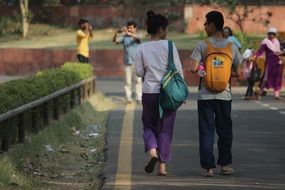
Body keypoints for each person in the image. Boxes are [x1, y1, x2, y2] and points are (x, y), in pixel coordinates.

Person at [189, 11, 242, 177]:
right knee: (225, 130)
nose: (204, 27)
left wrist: (205, 68)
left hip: (205, 95)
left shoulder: (202, 45)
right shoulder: (232, 46)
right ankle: (225, 165)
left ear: (212, 25)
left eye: (206, 24)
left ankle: (208, 168)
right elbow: (238, 72)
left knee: (206, 131)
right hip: (224, 95)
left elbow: (193, 68)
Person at [135, 10, 184, 176]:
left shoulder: (142, 47)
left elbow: (139, 72)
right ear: (162, 29)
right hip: (168, 93)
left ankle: (153, 152)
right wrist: (181, 94)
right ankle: (162, 167)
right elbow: (178, 71)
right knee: (165, 129)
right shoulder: (170, 45)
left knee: (148, 125)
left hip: (149, 92)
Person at [113, 21, 142, 104]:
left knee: (138, 81)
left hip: (137, 63)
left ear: (135, 28)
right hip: (127, 62)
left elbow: (138, 39)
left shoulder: (138, 35)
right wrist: (116, 34)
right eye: (128, 27)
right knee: (127, 82)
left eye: (131, 28)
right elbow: (115, 41)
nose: (129, 29)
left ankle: (138, 98)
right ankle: (128, 98)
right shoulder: (124, 37)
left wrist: (128, 33)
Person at [254, 27, 284, 100]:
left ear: (275, 35)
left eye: (272, 34)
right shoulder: (265, 42)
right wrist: (255, 56)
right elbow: (260, 51)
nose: (270, 35)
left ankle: (276, 95)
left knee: (278, 78)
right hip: (269, 62)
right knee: (265, 78)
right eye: (269, 34)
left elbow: (278, 51)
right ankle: (259, 93)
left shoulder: (276, 42)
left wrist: (281, 53)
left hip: (277, 62)